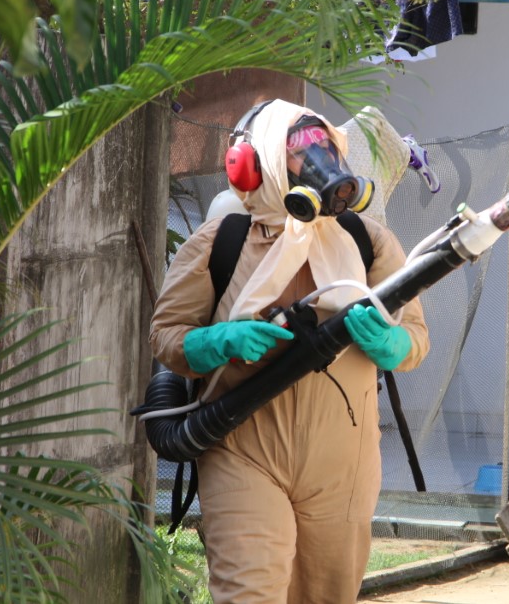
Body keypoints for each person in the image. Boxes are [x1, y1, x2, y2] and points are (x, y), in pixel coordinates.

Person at [149, 99, 429, 603]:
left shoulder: (368, 241)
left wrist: (393, 342)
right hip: (243, 451)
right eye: (299, 151)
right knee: (247, 592)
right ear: (258, 166)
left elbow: (416, 339)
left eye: (325, 147)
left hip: (343, 463)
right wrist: (216, 342)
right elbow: (165, 335)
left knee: (327, 595)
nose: (319, 162)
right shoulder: (222, 243)